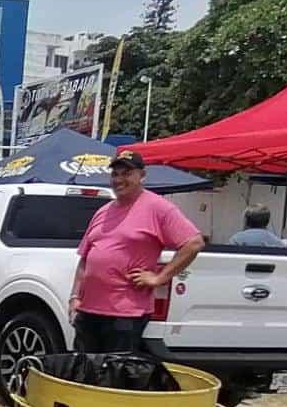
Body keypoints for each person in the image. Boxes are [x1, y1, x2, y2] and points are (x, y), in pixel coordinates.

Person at [69, 149, 205, 353]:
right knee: (84, 373)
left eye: (127, 173)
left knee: (115, 377)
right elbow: (85, 260)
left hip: (125, 314)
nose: (119, 179)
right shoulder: (103, 211)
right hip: (89, 311)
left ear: (142, 175)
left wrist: (159, 278)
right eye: (115, 174)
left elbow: (194, 243)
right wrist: (74, 297)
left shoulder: (158, 208)